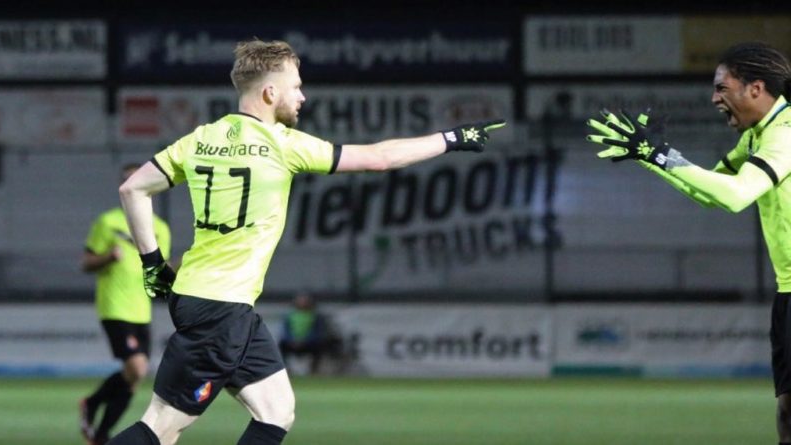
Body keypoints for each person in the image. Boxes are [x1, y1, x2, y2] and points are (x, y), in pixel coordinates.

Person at [107, 38, 505, 445]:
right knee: (161, 428)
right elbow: (379, 157)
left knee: (277, 411)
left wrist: (153, 263)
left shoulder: (200, 139)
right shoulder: (281, 145)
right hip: (220, 310)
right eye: (296, 86)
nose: (302, 95)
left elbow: (133, 189)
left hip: (211, 300)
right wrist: (452, 139)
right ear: (269, 92)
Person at [586, 41, 791, 445]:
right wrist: (650, 157)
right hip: (788, 292)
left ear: (756, 88)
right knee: (787, 414)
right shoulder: (758, 137)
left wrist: (661, 155)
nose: (715, 98)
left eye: (722, 88)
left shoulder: (785, 136)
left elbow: (735, 196)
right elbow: (708, 191)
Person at [79, 163, 172, 445]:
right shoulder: (108, 222)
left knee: (133, 378)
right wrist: (108, 256)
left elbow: (159, 270)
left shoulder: (160, 228)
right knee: (138, 369)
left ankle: (100, 427)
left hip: (140, 310)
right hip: (114, 306)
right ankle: (94, 405)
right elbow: (86, 262)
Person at [279, 292, 341, 375]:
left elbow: (318, 332)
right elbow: (285, 332)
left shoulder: (315, 316)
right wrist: (292, 341)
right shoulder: (290, 316)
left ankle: (313, 370)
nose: (302, 303)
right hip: (292, 343)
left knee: (320, 346)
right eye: (300, 300)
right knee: (281, 345)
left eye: (304, 300)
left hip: (309, 343)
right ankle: (285, 370)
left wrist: (304, 341)